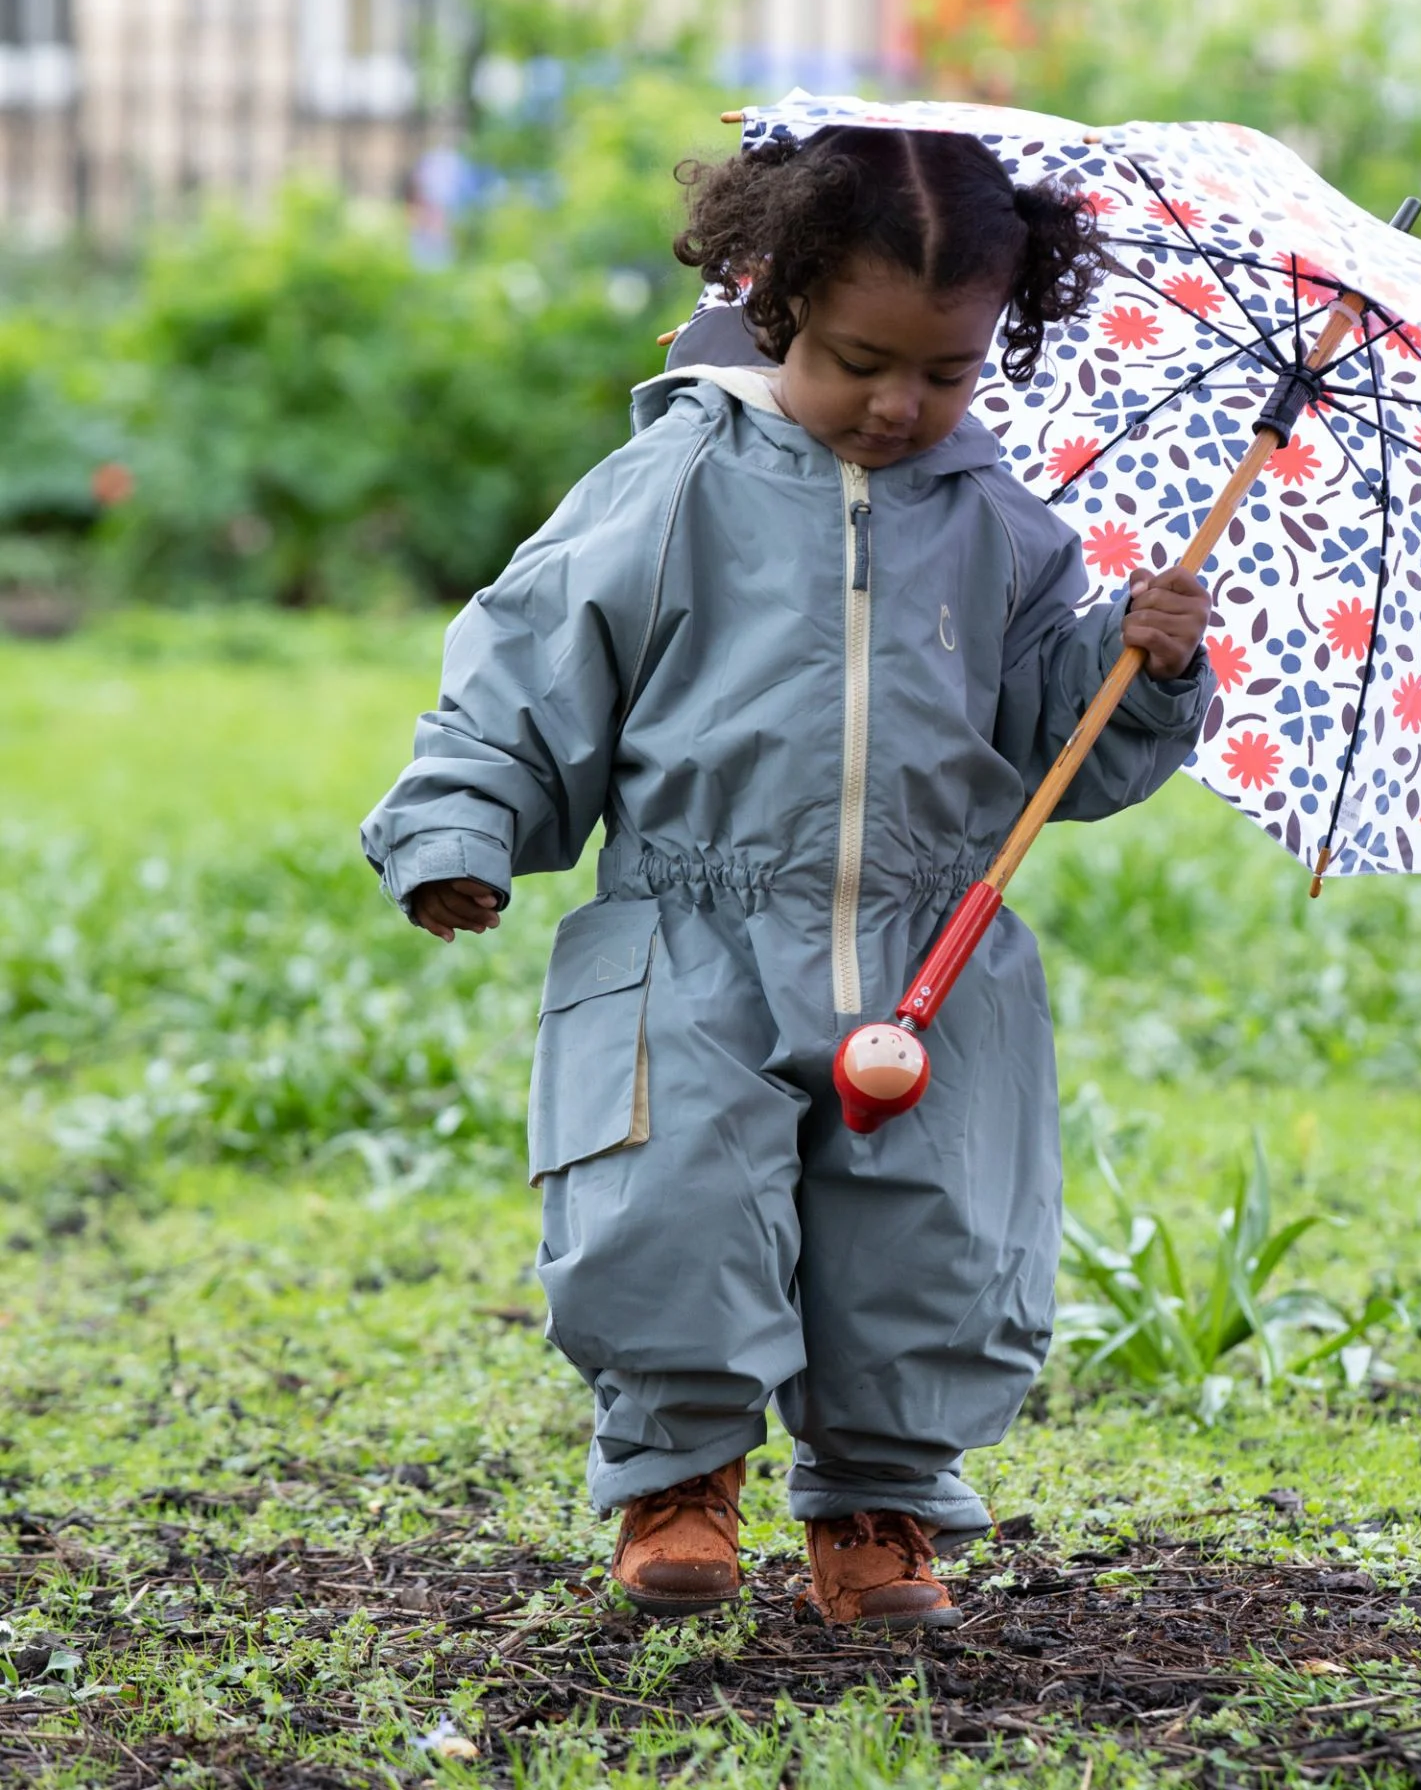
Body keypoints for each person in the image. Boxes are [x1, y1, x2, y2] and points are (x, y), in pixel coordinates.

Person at [361, 125, 1212, 1627]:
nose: (899, 404)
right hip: (694, 926)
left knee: (931, 1235)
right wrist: (459, 829)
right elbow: (528, 664)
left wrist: (1135, 668)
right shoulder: (675, 481)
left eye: (944, 373)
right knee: (665, 1202)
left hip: (928, 948)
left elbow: (1052, 741)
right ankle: (679, 1480)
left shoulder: (1003, 529)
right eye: (857, 359)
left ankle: (881, 1500)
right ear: (778, 314)